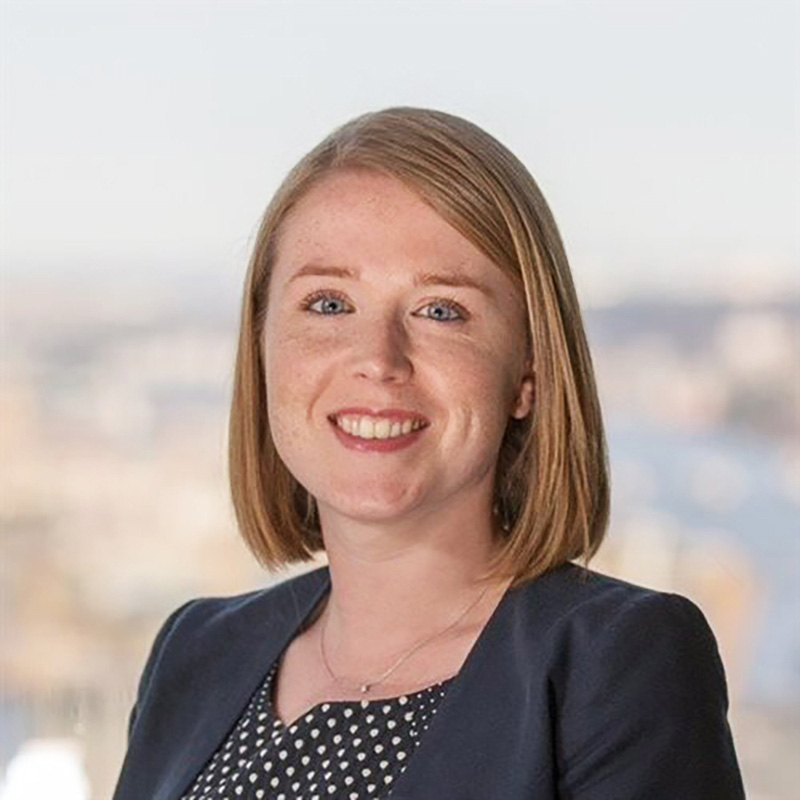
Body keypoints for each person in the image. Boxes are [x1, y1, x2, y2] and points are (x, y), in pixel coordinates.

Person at [112, 107, 745, 799]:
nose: (378, 359)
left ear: (527, 373)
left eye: (441, 310)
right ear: (261, 345)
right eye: (328, 304)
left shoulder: (619, 665)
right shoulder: (194, 651)